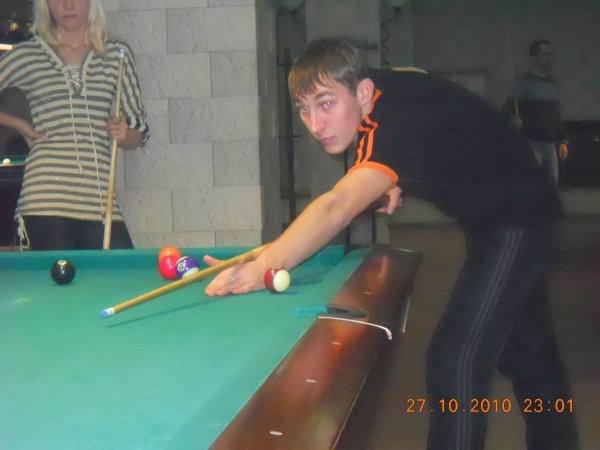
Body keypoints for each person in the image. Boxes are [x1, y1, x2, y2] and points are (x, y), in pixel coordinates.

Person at [204, 38, 580, 449]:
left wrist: (266, 265)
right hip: (511, 208)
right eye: (304, 109)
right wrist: (394, 175)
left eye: (326, 104)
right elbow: (414, 80)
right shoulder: (381, 87)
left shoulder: (390, 129)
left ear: (362, 91)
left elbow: (337, 206)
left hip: (515, 220)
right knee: (530, 355)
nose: (315, 124)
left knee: (455, 363)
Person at [0, 0, 149, 250]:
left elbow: (140, 131)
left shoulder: (116, 54)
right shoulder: (29, 55)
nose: (68, 5)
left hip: (99, 198)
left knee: (121, 271)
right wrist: (18, 124)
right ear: (47, 5)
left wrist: (124, 134)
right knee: (57, 277)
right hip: (44, 199)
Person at [505, 39, 568, 184]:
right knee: (532, 184)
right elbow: (507, 110)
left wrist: (562, 140)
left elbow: (556, 113)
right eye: (545, 54)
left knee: (551, 186)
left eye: (551, 54)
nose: (550, 58)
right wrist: (513, 118)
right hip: (530, 142)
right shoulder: (521, 83)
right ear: (534, 57)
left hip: (550, 144)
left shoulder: (552, 83)